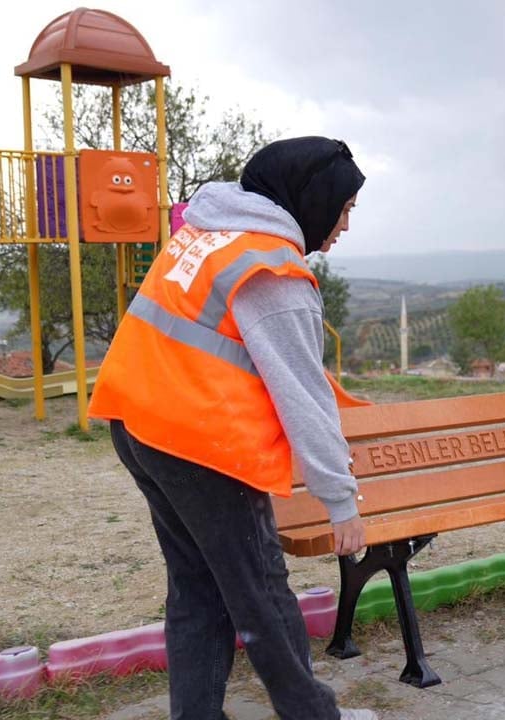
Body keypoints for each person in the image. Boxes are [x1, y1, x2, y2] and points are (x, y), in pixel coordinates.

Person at [89, 137, 377, 720]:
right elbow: (301, 394)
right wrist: (340, 501)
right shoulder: (272, 269)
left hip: (138, 424)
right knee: (261, 593)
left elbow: (234, 351)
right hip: (202, 446)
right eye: (344, 209)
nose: (344, 226)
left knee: (197, 587)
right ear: (314, 199)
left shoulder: (207, 233)